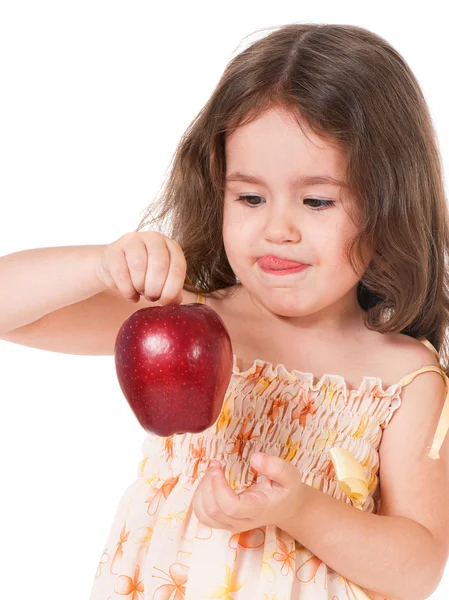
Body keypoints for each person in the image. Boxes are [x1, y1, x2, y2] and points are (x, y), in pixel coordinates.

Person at [1, 22, 449, 600]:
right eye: (250, 197)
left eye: (316, 200)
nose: (277, 229)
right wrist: (101, 263)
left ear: (388, 203)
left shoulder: (404, 378)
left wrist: (302, 510)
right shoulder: (187, 319)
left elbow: (416, 572)